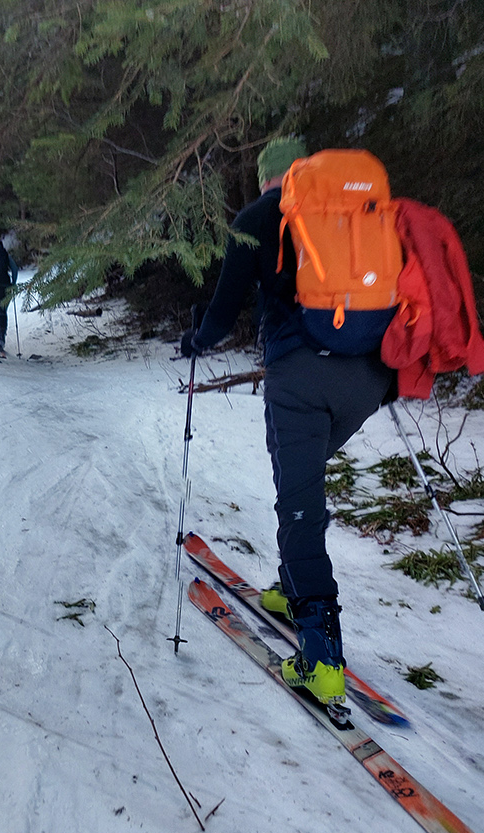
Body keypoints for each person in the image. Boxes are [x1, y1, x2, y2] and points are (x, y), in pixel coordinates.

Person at [179, 138, 396, 708]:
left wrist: (196, 339)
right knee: (303, 483)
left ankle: (321, 658)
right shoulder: (359, 209)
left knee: (299, 502)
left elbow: (222, 312)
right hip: (371, 376)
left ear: (264, 178)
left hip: (301, 375)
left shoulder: (257, 217)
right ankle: (290, 586)